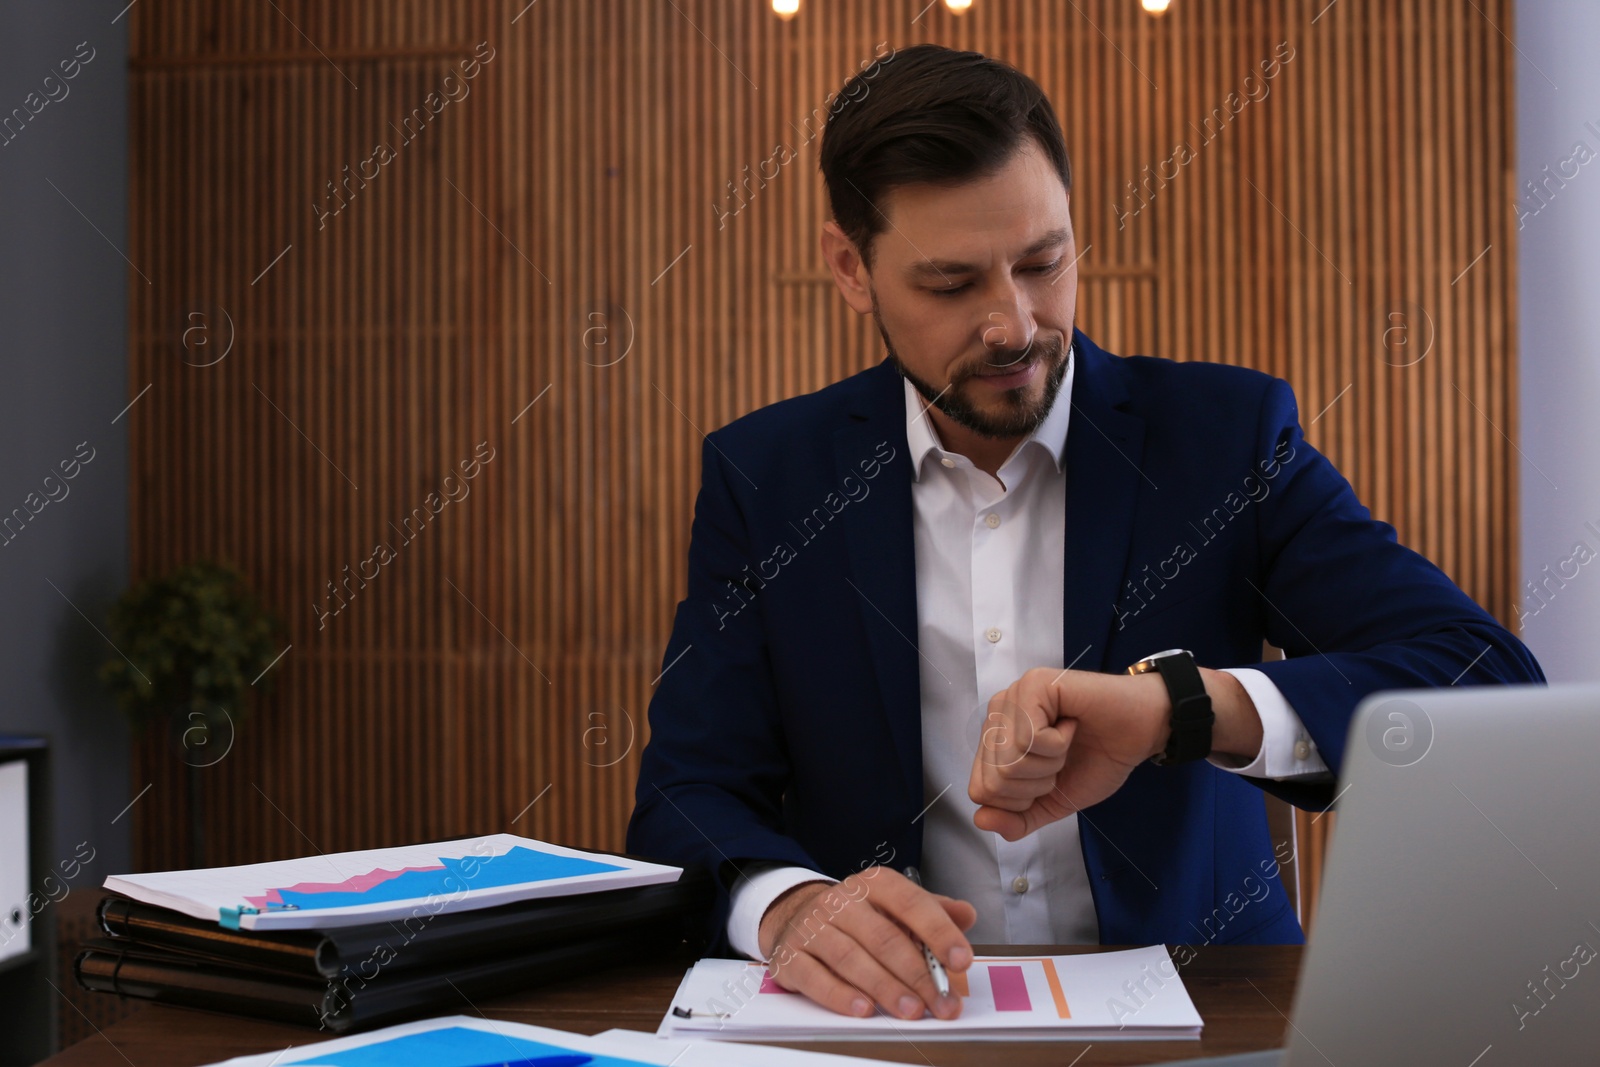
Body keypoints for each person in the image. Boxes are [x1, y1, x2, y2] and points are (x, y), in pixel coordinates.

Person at [625, 43, 1543, 1024]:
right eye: (949, 283)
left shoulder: (1225, 438)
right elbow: (686, 794)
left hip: (1213, 1014)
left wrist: (1176, 708)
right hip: (889, 1029)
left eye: (1041, 262)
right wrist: (792, 907)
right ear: (850, 268)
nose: (1013, 325)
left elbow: (1482, 678)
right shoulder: (766, 476)